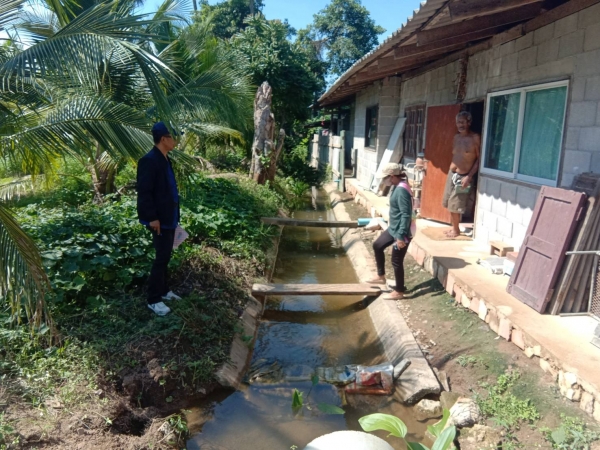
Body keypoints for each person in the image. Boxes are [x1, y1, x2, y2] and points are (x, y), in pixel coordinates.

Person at [137, 122, 183, 316]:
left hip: (169, 216)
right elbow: (144, 192)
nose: (176, 140)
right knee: (161, 257)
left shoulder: (165, 159)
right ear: (164, 139)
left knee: (166, 255)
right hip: (159, 219)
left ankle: (164, 290)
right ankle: (154, 299)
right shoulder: (149, 160)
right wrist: (152, 218)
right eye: (173, 137)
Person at [367, 163, 415, 301]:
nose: (384, 180)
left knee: (396, 260)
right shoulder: (397, 186)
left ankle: (399, 291)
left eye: (385, 178)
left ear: (392, 176)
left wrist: (400, 237)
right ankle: (381, 276)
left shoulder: (401, 190)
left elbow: (406, 214)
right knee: (377, 245)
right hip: (393, 227)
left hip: (402, 231)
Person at [443, 111, 480, 239]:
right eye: (458, 122)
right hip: (452, 173)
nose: (460, 125)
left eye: (463, 122)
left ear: (469, 122)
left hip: (464, 176)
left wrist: (469, 176)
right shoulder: (456, 137)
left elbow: (479, 159)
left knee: (456, 204)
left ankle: (456, 230)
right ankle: (453, 227)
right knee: (448, 202)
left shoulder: (475, 138)